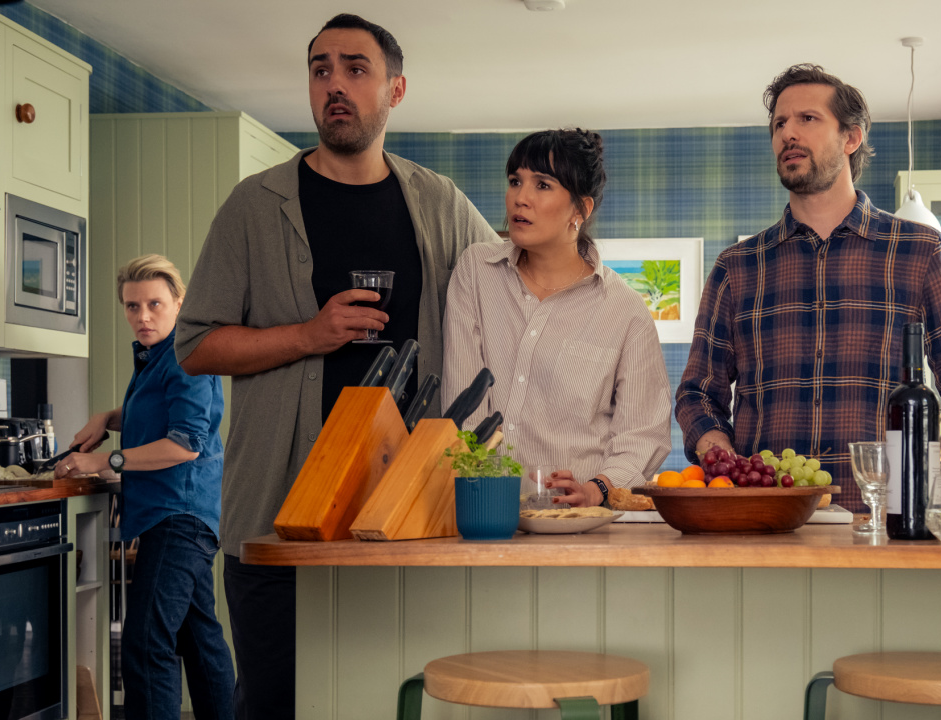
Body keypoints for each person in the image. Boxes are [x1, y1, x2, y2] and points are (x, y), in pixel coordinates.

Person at [174, 13, 498, 720]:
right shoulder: (254, 207)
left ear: (396, 89)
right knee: (275, 703)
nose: (334, 86)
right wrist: (307, 334)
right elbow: (195, 344)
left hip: (404, 513)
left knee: (395, 699)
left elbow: (507, 272)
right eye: (321, 70)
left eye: (355, 68)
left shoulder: (438, 202)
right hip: (278, 512)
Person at [675, 64, 941, 511]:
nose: (788, 133)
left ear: (851, 138)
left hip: (888, 519)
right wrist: (715, 447)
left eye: (807, 119)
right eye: (779, 124)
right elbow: (697, 392)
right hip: (765, 518)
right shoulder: (737, 267)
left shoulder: (922, 252)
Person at [443, 129, 671, 507]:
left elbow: (643, 435)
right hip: (482, 511)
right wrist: (485, 494)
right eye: (515, 181)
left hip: (579, 527)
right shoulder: (476, 271)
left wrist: (597, 488)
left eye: (542, 185)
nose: (520, 197)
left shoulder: (625, 311)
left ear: (580, 210)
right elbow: (463, 404)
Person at [59, 254, 232, 720]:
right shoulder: (157, 357)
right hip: (182, 514)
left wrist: (105, 459)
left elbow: (185, 444)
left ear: (179, 302)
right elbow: (155, 413)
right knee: (199, 639)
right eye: (132, 306)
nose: (143, 316)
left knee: (145, 642)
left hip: (179, 517)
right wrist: (108, 418)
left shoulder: (185, 357)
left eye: (154, 303)